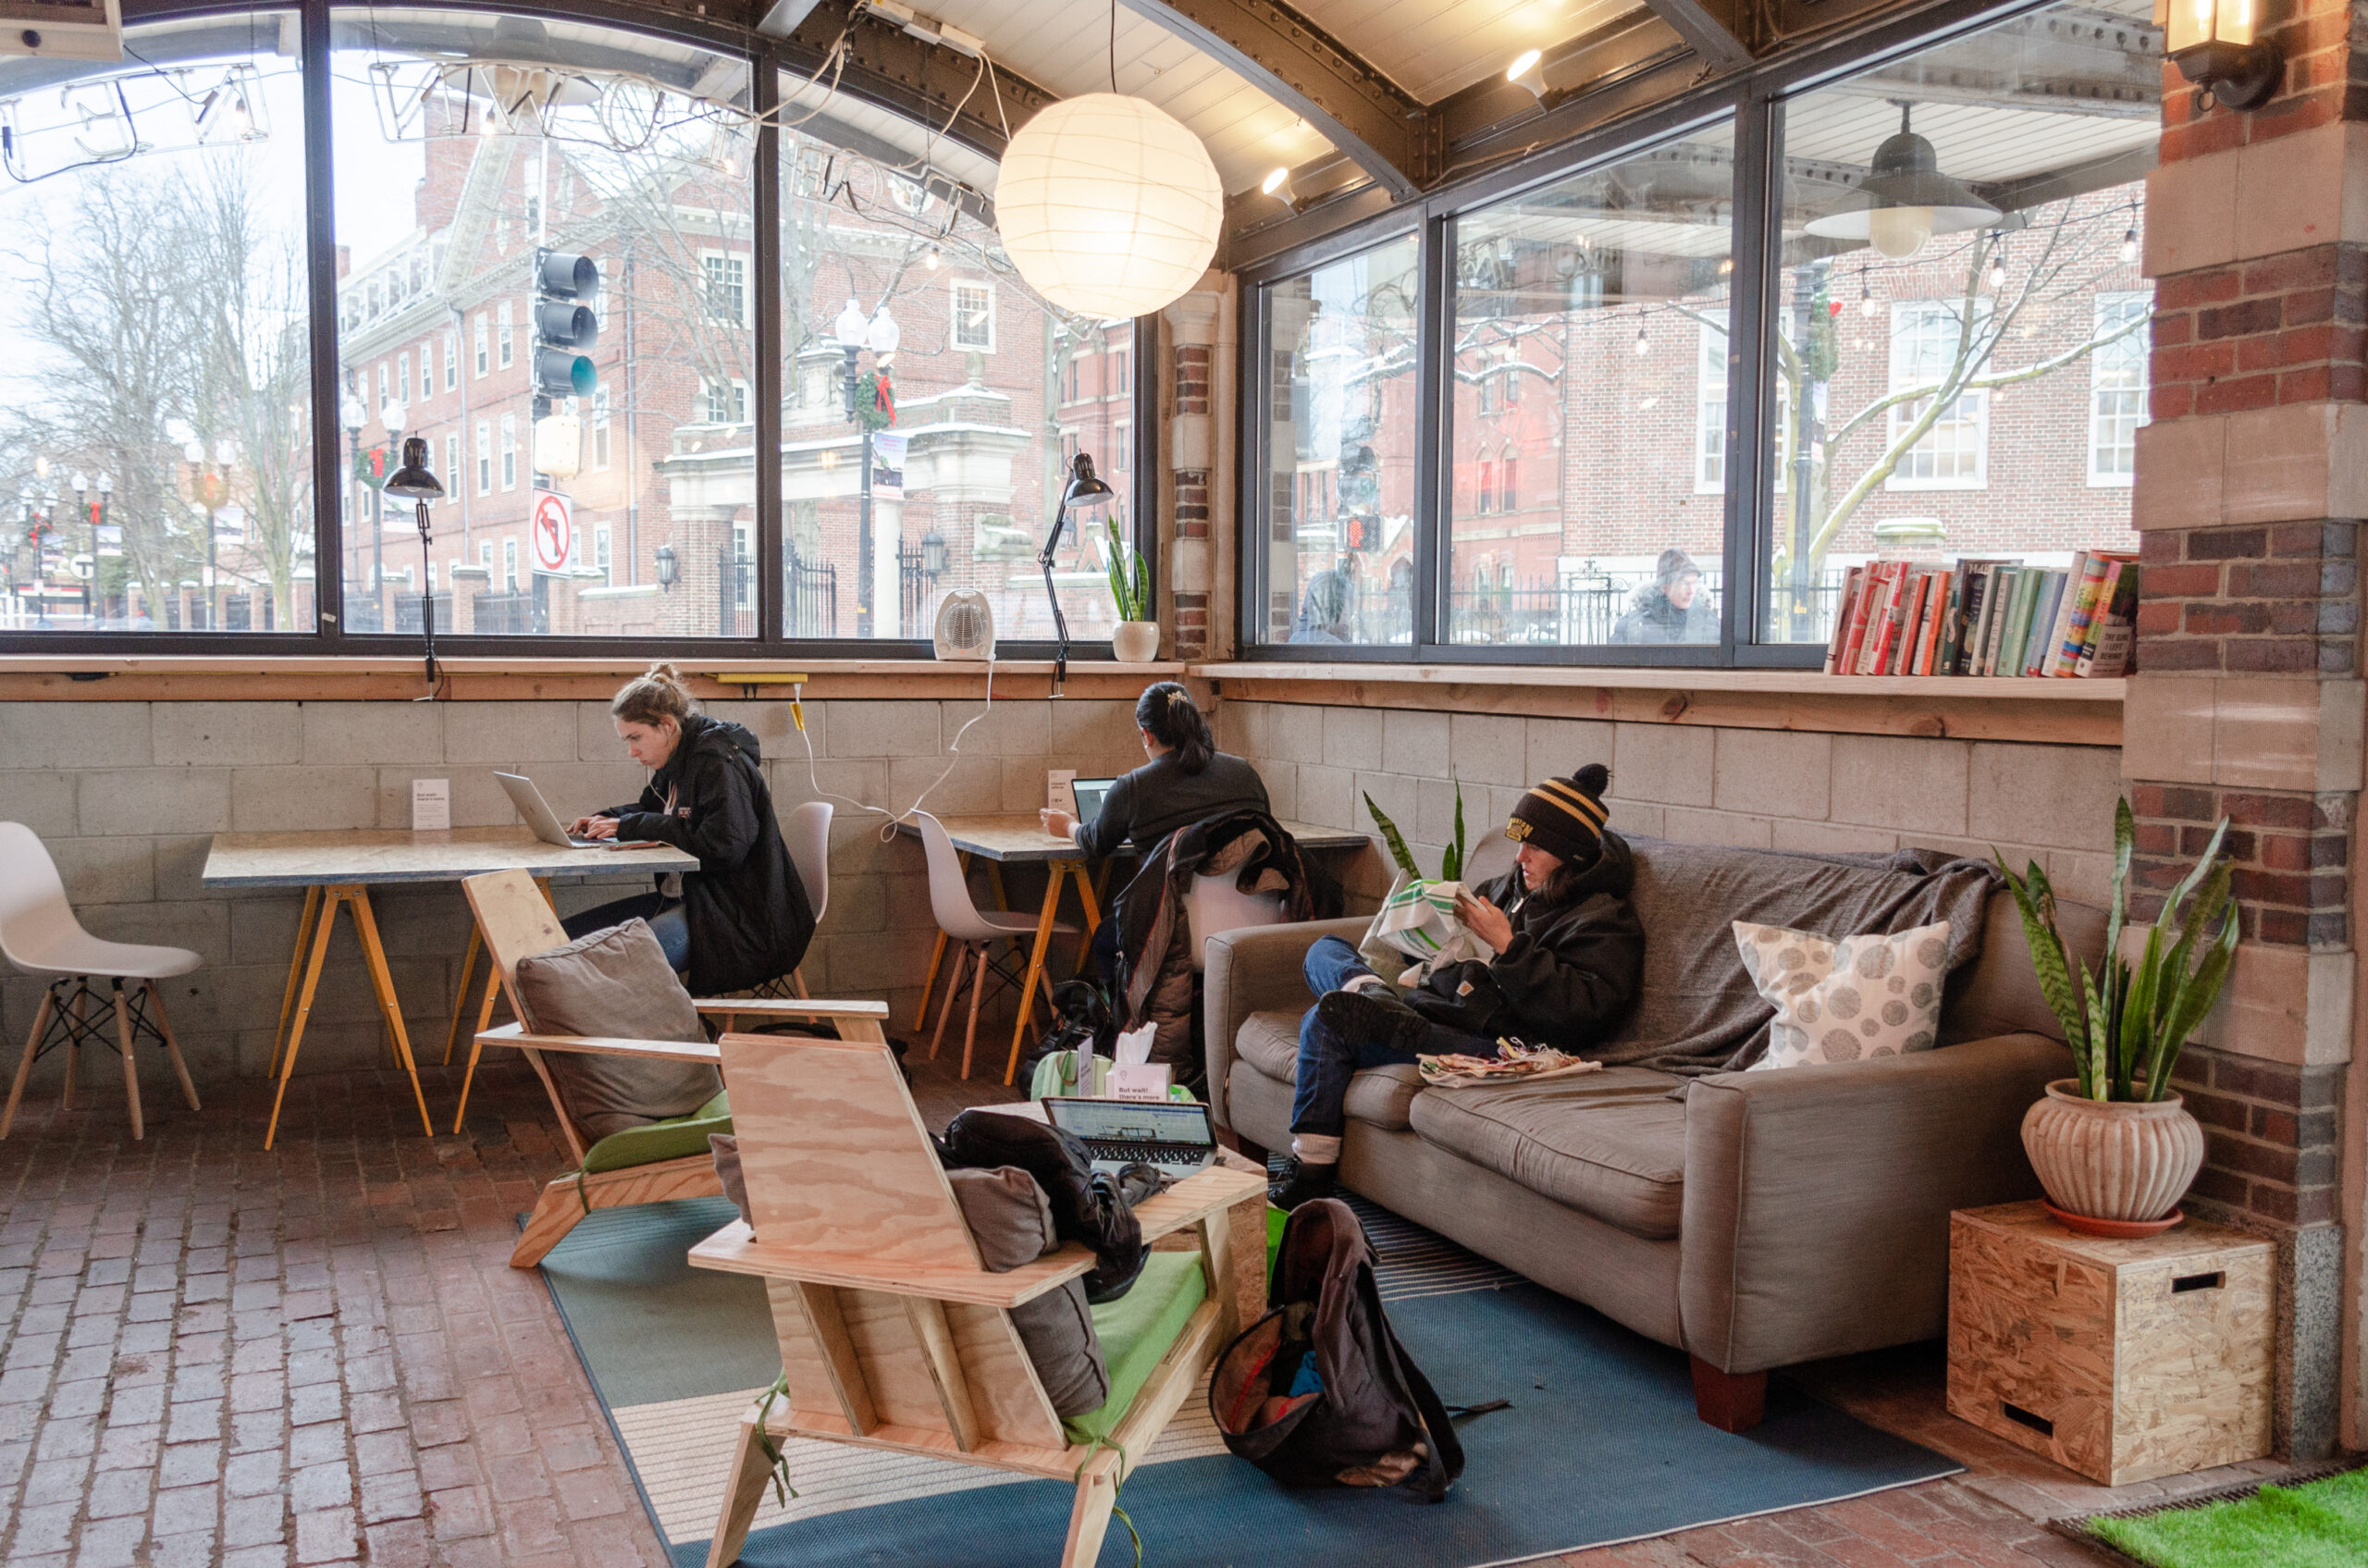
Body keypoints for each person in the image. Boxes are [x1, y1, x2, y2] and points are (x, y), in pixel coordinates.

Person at [1268, 762, 1645, 1209]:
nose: (1520, 857)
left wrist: (1507, 947)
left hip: (1502, 1046)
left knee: (1326, 1020)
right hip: (1439, 1005)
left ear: (1571, 854)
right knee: (1324, 949)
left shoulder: (1605, 921)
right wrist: (1418, 933)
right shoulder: (1507, 888)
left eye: (1535, 847)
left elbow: (1579, 1014)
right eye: (1520, 843)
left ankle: (1312, 1169)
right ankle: (1372, 993)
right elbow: (1449, 953)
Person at [563, 663, 814, 996]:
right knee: (562, 939)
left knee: (604, 971)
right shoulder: (677, 761)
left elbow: (723, 846)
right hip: (690, 901)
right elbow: (652, 811)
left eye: (636, 738)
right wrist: (605, 819)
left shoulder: (716, 762)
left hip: (737, 918)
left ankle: (680, 1042)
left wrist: (631, 825)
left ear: (667, 726)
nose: (631, 751)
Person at [1040, 682, 1272, 982]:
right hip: (1256, 920)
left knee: (1105, 940)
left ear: (1146, 735)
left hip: (1176, 930)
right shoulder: (1244, 773)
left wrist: (1068, 826)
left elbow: (1096, 843)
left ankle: (1133, 1026)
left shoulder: (1134, 787)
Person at [1610, 548, 1716, 644]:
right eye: (1684, 583)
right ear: (1664, 587)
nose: (1691, 591)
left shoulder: (1711, 623)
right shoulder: (1633, 626)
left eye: (1694, 582)